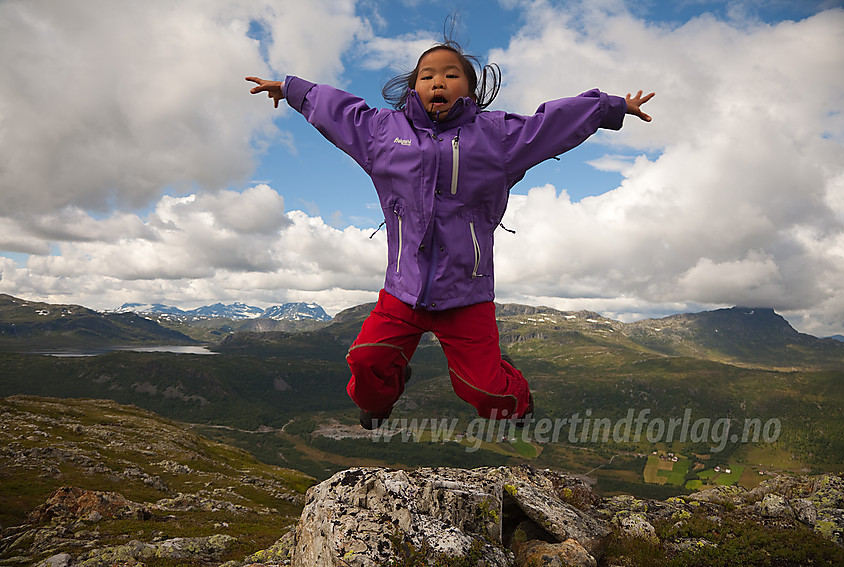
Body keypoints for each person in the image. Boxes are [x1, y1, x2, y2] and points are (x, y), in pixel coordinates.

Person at [247, 39, 654, 430]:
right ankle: (381, 398)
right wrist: (291, 89)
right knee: (366, 361)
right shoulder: (382, 134)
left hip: (466, 294)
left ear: (470, 90)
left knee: (483, 391)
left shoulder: (497, 137)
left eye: (450, 74)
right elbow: (340, 111)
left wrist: (613, 107)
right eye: (426, 76)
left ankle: (517, 399)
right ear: (413, 88)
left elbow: (551, 124)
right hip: (402, 290)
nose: (437, 82)